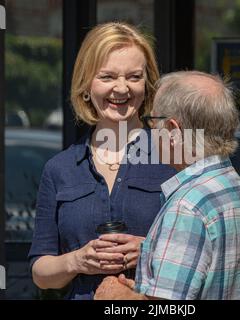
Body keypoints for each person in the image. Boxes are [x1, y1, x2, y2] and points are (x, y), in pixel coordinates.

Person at [28, 22, 176, 300]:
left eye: (134, 77)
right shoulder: (60, 168)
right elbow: (41, 272)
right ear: (86, 84)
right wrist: (76, 261)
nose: (122, 89)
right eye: (107, 77)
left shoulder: (175, 157)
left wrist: (150, 249)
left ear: (147, 83)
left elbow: (209, 248)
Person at [94, 70, 240, 300]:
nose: (150, 132)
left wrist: (117, 297)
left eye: (152, 122)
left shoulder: (187, 207)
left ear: (173, 131)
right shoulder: (236, 189)